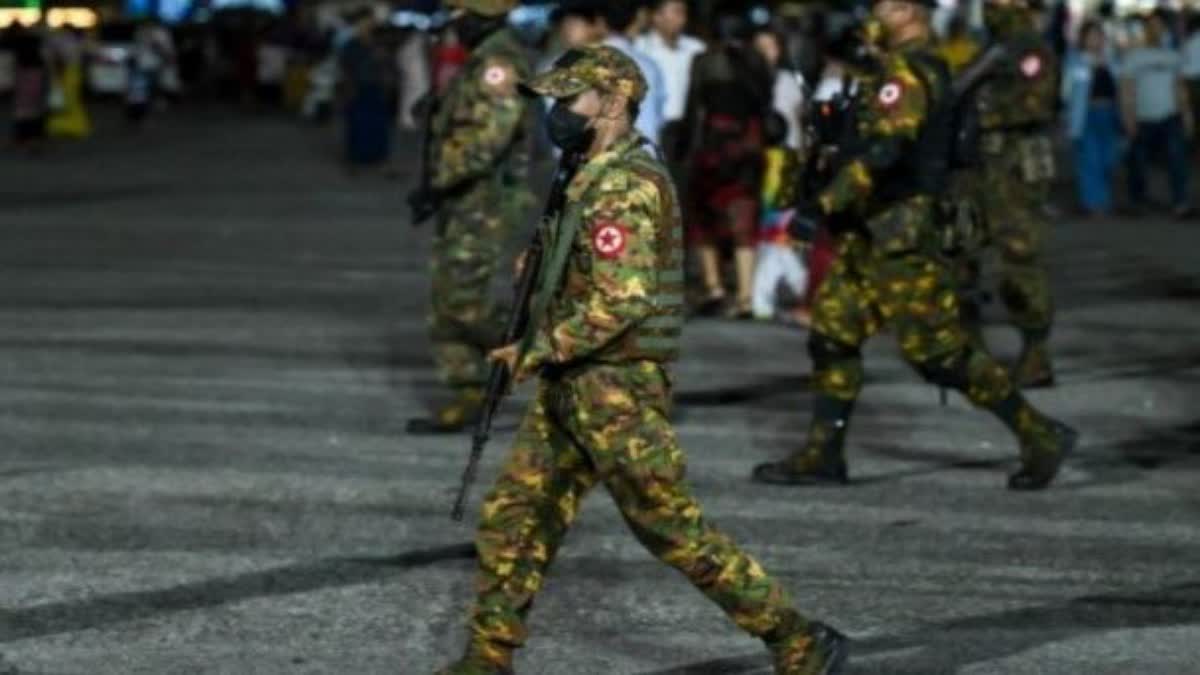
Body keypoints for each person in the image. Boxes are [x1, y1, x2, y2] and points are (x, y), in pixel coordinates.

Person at [435, 44, 848, 675]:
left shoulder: (628, 184)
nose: (558, 111)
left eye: (570, 98)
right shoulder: (586, 171)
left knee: (669, 527)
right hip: (574, 384)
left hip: (617, 386)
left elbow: (622, 302)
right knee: (516, 518)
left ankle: (797, 638)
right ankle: (487, 659)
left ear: (614, 101)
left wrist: (536, 348)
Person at [751, 0, 1077, 492]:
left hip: (901, 235)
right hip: (870, 231)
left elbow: (888, 151)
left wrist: (822, 205)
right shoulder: (897, 68)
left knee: (940, 354)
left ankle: (1039, 433)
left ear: (907, 13)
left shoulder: (906, 73)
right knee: (833, 334)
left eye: (882, 9)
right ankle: (824, 453)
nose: (871, 19)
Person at [406, 0, 533, 434]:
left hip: (485, 201)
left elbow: (487, 139)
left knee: (463, 303)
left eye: (458, 16)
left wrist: (438, 178)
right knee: (447, 304)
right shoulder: (480, 60)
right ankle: (469, 392)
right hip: (464, 199)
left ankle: (557, 358)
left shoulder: (498, 63)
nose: (452, 25)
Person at [967, 0, 1063, 387]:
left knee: (1020, 260)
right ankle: (969, 353)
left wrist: (981, 112)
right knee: (963, 256)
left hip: (1014, 171)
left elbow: (1036, 105)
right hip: (980, 169)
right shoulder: (990, 48)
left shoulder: (1029, 49)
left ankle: (1036, 352)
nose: (992, 6)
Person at [680, 1, 774, 318]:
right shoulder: (758, 61)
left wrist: (684, 149)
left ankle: (715, 286)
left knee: (703, 216)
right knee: (744, 217)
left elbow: (694, 108)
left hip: (712, 147)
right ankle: (746, 295)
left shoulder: (704, 61)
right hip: (748, 145)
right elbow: (766, 103)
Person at [1120, 11, 1194, 217]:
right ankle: (1137, 200)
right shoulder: (1134, 56)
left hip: (1169, 115)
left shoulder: (1173, 56)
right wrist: (1128, 117)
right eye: (1151, 26)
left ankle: (1181, 202)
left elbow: (1179, 88)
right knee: (1137, 161)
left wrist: (1186, 115)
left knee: (1177, 159)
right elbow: (1127, 88)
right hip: (1143, 117)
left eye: (1160, 26)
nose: (1156, 30)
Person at [752, 111, 810, 322]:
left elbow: (767, 191)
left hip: (771, 215)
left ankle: (762, 304)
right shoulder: (791, 154)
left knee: (771, 260)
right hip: (790, 212)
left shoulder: (762, 157)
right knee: (783, 257)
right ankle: (799, 292)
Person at [1063, 19, 1121, 216]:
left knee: (1108, 158)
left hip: (1109, 113)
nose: (1095, 40)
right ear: (1083, 39)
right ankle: (1094, 203)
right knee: (1090, 158)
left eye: (1098, 35)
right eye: (1091, 36)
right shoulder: (1075, 60)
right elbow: (1067, 90)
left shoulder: (1111, 58)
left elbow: (1122, 83)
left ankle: (1101, 198)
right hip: (1086, 114)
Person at [636, 0, 706, 152]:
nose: (682, 19)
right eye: (676, 12)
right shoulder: (640, 48)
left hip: (686, 132)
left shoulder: (696, 49)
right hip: (653, 130)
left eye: (684, 13)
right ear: (657, 16)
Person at [598, 0, 668, 144]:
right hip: (637, 158)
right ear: (638, 18)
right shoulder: (648, 67)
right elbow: (653, 121)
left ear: (601, 21)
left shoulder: (580, 62)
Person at [337, 10, 394, 169]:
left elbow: (387, 66)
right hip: (358, 88)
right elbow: (345, 66)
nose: (368, 27)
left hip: (376, 88)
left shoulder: (379, 44)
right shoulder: (352, 45)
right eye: (366, 23)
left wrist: (384, 66)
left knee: (377, 124)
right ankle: (357, 156)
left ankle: (376, 155)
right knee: (358, 123)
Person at [753, 28, 804, 149]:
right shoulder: (746, 80)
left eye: (770, 46)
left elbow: (799, 116)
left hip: (789, 152)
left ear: (778, 50)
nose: (764, 51)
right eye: (760, 46)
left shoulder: (789, 80)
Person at [45, 28, 92, 140]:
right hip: (73, 71)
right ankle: (75, 125)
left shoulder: (61, 40)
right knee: (72, 101)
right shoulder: (75, 41)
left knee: (70, 101)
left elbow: (60, 57)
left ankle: (73, 126)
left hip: (69, 72)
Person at [10, 22, 48, 151]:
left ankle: (24, 137)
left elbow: (14, 60)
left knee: (22, 108)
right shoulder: (37, 41)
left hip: (23, 74)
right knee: (35, 107)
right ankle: (35, 138)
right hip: (36, 73)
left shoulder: (17, 42)